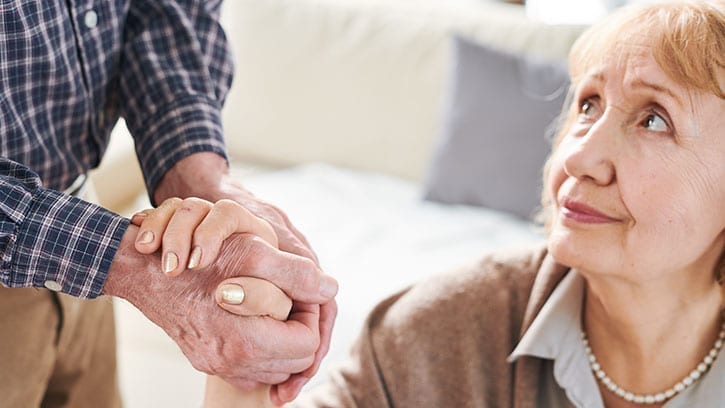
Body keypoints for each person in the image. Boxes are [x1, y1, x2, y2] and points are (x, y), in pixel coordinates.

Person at [137, 1, 725, 406]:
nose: (578, 157)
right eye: (589, 104)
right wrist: (246, 369)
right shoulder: (435, 335)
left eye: (654, 119)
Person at [0, 1, 337, 407]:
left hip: (81, 243)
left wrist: (201, 182)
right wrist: (132, 264)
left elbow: (166, 12)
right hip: (87, 250)